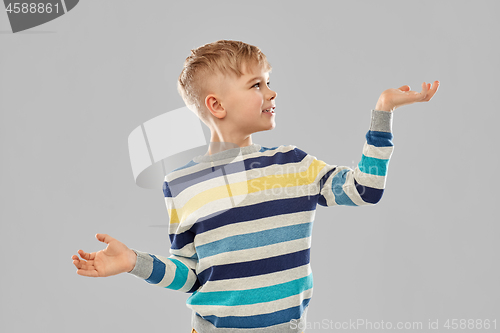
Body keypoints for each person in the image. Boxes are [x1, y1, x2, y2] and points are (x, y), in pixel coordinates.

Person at [72, 40, 440, 333]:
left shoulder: (294, 164)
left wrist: (383, 111)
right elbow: (191, 275)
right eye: (256, 84)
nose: (272, 92)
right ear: (216, 105)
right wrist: (133, 262)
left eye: (269, 81)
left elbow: (366, 189)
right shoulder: (180, 184)